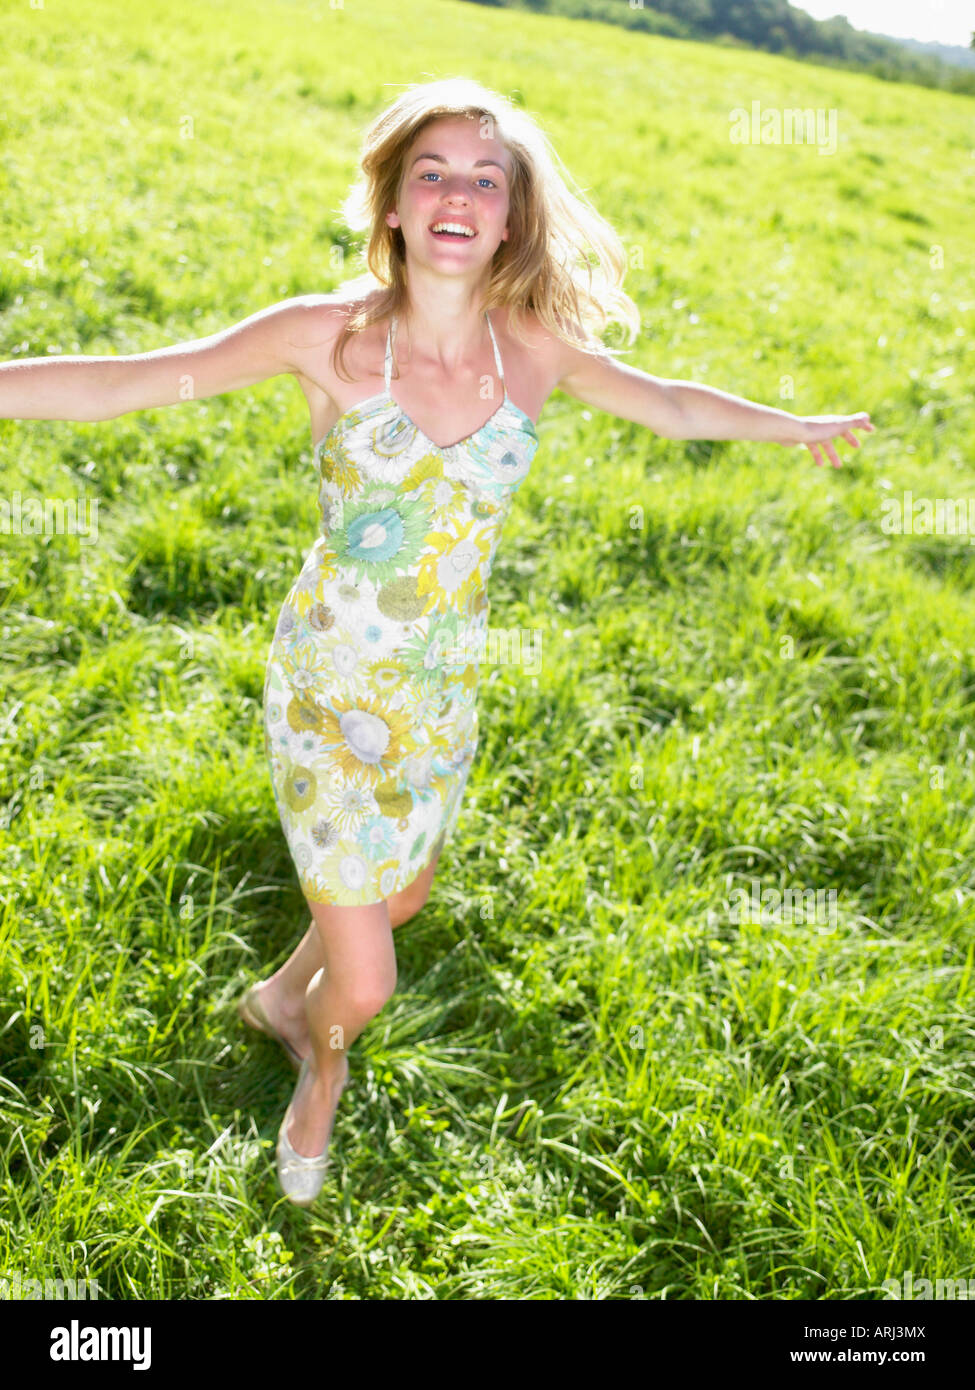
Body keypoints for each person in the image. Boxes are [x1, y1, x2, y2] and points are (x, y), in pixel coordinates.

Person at [0, 76, 873, 1206]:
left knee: (399, 894)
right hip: (327, 681)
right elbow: (125, 384)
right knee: (366, 975)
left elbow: (670, 403)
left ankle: (276, 999)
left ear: (511, 216)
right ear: (396, 204)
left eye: (486, 177)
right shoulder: (328, 336)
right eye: (433, 172)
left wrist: (790, 425)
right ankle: (324, 1056)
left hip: (443, 690)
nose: (458, 192)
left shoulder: (532, 351)